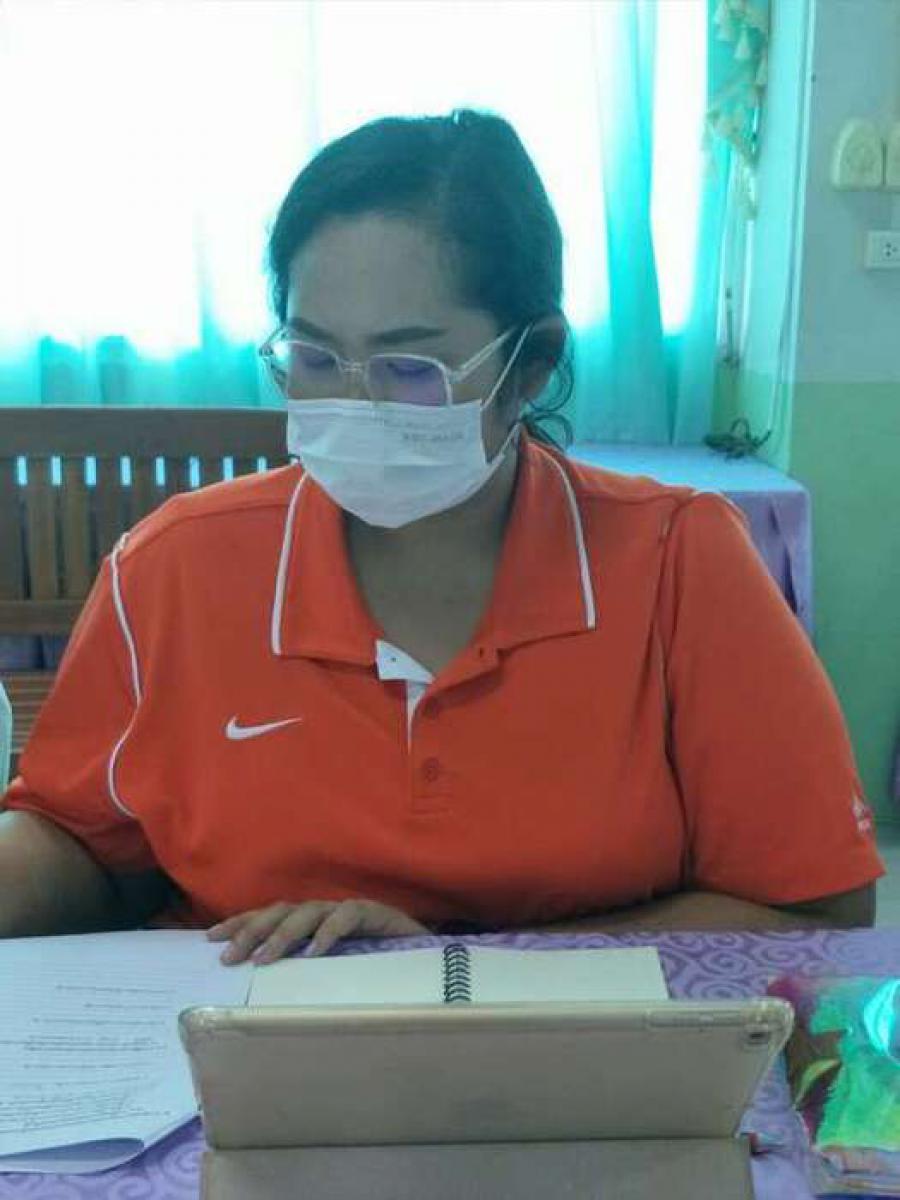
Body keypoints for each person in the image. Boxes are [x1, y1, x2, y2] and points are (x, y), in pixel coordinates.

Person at [0, 108, 885, 965]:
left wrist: (455, 965)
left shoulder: (680, 566)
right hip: (231, 1036)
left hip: (575, 1049)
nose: (354, 403)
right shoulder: (173, 569)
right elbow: (78, 843)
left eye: (409, 367)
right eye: (314, 359)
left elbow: (815, 907)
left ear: (530, 365)